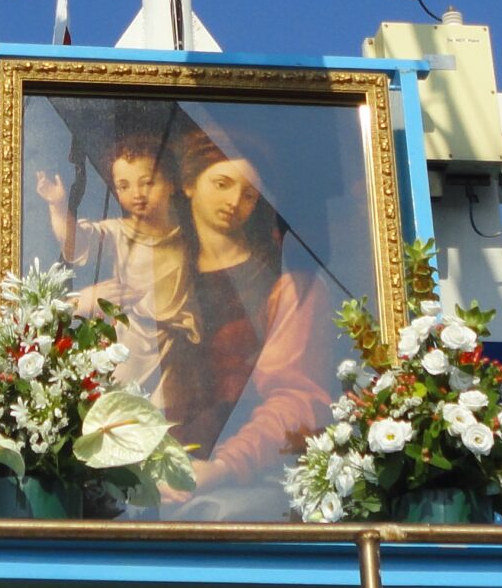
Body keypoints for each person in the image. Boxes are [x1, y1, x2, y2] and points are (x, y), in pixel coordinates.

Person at [154, 128, 331, 519]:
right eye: (222, 184)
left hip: (238, 482)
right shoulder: (158, 276)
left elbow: (298, 399)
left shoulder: (287, 286)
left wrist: (224, 466)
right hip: (153, 477)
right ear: (189, 184)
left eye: (250, 194)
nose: (234, 201)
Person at [35, 133, 195, 394]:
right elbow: (76, 244)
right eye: (124, 186)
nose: (137, 194)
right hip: (133, 342)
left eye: (147, 182)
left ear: (170, 183)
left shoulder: (190, 236)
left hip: (178, 349)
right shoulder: (118, 232)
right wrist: (58, 205)